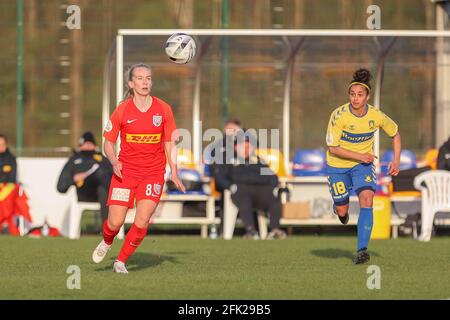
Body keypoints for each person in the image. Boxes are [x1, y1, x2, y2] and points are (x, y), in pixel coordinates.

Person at [91, 63, 185, 273]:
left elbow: (170, 142)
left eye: (148, 78)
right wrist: (115, 161)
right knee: (115, 222)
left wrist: (174, 171)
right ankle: (107, 242)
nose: (145, 82)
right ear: (131, 83)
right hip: (125, 173)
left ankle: (121, 261)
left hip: (153, 173)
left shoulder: (163, 109)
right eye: (140, 78)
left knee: (142, 221)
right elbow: (107, 141)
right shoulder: (122, 110)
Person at [325, 68, 401, 264]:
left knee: (367, 200)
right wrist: (361, 155)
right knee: (343, 211)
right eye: (352, 94)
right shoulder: (338, 115)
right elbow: (333, 148)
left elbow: (395, 134)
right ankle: (339, 209)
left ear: (367, 96)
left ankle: (361, 250)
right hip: (337, 166)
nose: (355, 99)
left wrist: (396, 159)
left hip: (363, 166)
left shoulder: (376, 116)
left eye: (360, 95)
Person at [214, 133, 286, 240]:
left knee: (274, 200)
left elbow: (272, 177)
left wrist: (269, 184)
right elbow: (220, 178)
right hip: (240, 192)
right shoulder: (228, 160)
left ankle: (274, 230)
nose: (246, 149)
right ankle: (251, 231)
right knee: (244, 199)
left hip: (260, 193)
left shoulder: (257, 161)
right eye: (242, 146)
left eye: (248, 146)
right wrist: (230, 186)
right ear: (235, 146)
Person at [57, 131, 113, 223]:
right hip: (85, 193)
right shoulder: (73, 160)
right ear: (80, 146)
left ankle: (108, 229)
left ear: (94, 146)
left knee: (102, 187)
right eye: (85, 144)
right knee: (101, 179)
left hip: (105, 192)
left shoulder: (102, 159)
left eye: (90, 144)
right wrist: (74, 179)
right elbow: (61, 187)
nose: (87, 147)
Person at [204, 119, 242, 235]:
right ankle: (224, 229)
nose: (231, 132)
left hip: (240, 181)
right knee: (226, 192)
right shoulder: (217, 146)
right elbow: (213, 169)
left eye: (234, 130)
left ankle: (252, 228)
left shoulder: (243, 146)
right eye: (229, 129)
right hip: (222, 182)